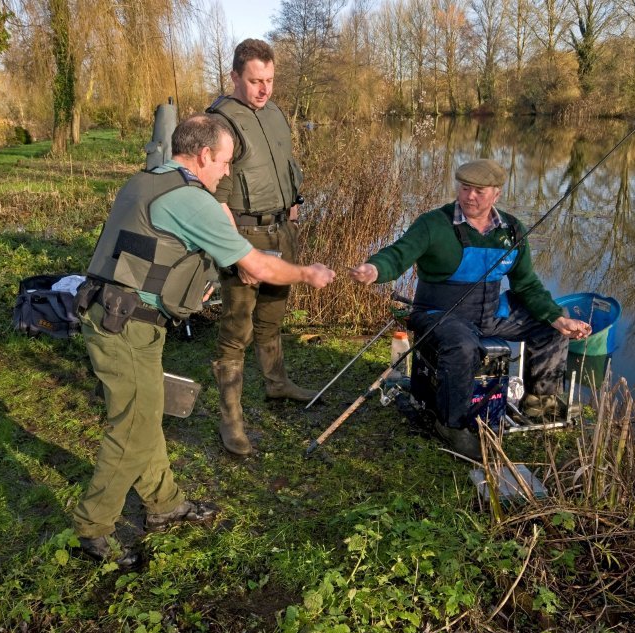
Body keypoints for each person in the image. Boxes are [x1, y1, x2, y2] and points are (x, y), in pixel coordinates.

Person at [72, 115, 335, 566]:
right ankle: (93, 530)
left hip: (117, 314)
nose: (228, 172)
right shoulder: (192, 200)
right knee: (132, 426)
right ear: (204, 155)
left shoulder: (148, 180)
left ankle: (164, 504)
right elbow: (260, 268)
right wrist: (308, 273)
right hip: (127, 324)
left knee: (147, 412)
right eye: (226, 161)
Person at [349, 158, 591, 457]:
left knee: (552, 322)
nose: (470, 196)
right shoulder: (434, 224)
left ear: (496, 194)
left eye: (479, 191)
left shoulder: (512, 231)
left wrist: (556, 318)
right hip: (437, 313)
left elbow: (526, 285)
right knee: (462, 344)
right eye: (465, 188)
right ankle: (452, 424)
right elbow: (398, 254)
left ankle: (540, 401)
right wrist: (374, 269)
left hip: (489, 313)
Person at [205, 39, 311, 457]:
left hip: (282, 230)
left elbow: (286, 167)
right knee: (237, 330)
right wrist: (236, 253)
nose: (264, 89)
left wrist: (293, 203)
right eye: (254, 81)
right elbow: (215, 197)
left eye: (269, 80)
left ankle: (277, 383)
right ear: (234, 77)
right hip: (245, 236)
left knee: (272, 314)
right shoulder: (220, 123)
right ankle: (230, 422)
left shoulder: (276, 114)